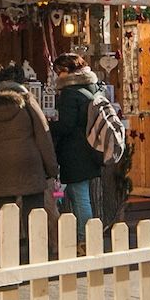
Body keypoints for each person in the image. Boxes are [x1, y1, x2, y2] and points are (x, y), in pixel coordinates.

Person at [0, 73, 59, 222]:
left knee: (4, 217)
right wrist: (52, 170)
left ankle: (4, 238)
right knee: (34, 217)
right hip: (30, 166)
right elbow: (44, 137)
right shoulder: (28, 103)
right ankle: (34, 238)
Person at [48, 52, 107, 225]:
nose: (57, 76)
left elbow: (66, 125)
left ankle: (85, 235)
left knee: (80, 197)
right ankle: (86, 232)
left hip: (75, 153)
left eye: (58, 72)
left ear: (67, 70)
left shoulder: (70, 93)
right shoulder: (94, 87)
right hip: (91, 148)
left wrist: (47, 126)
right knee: (80, 194)